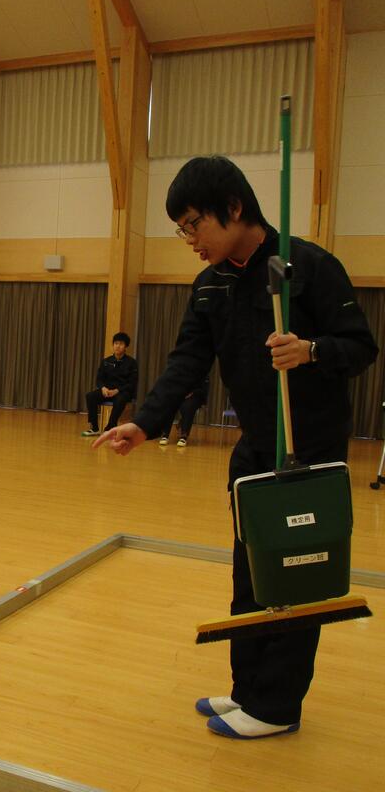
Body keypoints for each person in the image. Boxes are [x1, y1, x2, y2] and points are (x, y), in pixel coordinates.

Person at [94, 156, 378, 739]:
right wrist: (143, 425)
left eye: (194, 224)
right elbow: (186, 363)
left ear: (234, 208)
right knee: (250, 574)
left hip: (307, 452)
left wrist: (312, 351)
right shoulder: (210, 285)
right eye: (182, 230)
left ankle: (276, 707)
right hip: (254, 450)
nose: (191, 241)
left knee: (294, 579)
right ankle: (248, 690)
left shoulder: (308, 267)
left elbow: (361, 347)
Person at [82, 332, 138, 436]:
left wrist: (117, 390)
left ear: (125, 346)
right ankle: (94, 428)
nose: (118, 346)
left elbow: (132, 383)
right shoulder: (106, 361)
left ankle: (110, 427)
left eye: (121, 344)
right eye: (116, 343)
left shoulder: (132, 363)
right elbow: (99, 379)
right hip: (107, 391)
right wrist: (103, 388)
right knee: (90, 396)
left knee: (120, 399)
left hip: (122, 392)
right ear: (113, 345)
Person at [159, 377, 209, 446]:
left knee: (188, 406)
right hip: (178, 394)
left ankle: (183, 436)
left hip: (194, 395)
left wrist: (191, 393)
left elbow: (203, 388)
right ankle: (165, 434)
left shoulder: (201, 372)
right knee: (169, 404)